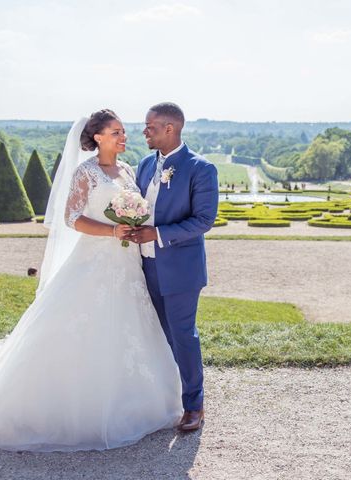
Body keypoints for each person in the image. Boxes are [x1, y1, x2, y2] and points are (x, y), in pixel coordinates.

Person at [0, 110, 182, 452]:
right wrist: (112, 230)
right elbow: (71, 217)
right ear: (97, 137)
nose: (124, 137)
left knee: (128, 325)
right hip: (94, 259)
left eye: (124, 132)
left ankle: (137, 399)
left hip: (126, 262)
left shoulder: (127, 170)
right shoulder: (86, 172)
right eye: (116, 132)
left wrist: (133, 223)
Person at [128, 102, 218, 431]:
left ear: (170, 128)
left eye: (150, 126)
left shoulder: (200, 168)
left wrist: (159, 234)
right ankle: (165, 400)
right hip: (144, 266)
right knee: (157, 335)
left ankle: (194, 405)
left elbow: (204, 220)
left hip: (181, 269)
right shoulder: (142, 165)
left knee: (182, 336)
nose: (144, 131)